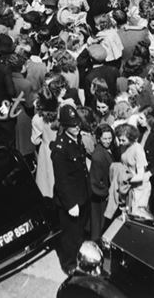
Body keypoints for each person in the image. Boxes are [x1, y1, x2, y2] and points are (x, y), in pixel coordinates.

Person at [51, 106, 90, 275]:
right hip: (71, 200)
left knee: (79, 232)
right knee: (70, 236)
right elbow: (62, 180)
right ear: (65, 126)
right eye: (73, 125)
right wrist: (70, 204)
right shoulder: (60, 148)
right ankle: (69, 264)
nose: (77, 127)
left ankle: (78, 258)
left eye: (78, 124)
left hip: (81, 195)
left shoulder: (76, 138)